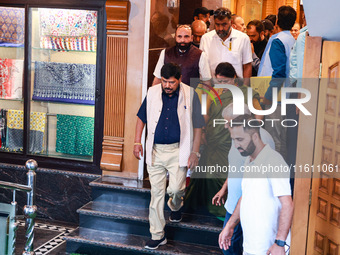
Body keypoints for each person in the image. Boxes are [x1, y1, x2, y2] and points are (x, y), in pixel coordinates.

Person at [134, 63, 205, 250]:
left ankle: (176, 205)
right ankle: (157, 235)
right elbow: (141, 118)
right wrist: (137, 142)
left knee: (175, 190)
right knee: (156, 194)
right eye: (164, 81)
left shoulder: (191, 94)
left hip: (178, 150)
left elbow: (198, 126)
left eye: (171, 82)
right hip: (156, 150)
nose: (167, 85)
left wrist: (195, 152)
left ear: (180, 79)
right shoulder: (152, 92)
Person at [184, 62, 260, 219]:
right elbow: (203, 117)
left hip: (238, 142)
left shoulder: (246, 92)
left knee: (232, 176)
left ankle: (228, 212)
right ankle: (211, 208)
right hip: (215, 142)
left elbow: (259, 114)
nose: (223, 85)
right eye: (219, 82)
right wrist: (202, 132)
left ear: (234, 79)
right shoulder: (210, 94)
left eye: (227, 81)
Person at [219, 115, 294, 255]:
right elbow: (245, 196)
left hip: (268, 247)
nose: (236, 145)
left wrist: (280, 243)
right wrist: (230, 225)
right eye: (234, 140)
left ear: (254, 136)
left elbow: (287, 204)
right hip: (251, 245)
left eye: (240, 139)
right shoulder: (249, 159)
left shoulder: (273, 161)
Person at [212, 104, 274, 255]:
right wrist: (224, 188)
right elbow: (236, 166)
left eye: (228, 121)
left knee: (235, 247)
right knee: (229, 247)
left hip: (248, 206)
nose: (226, 125)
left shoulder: (260, 140)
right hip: (233, 203)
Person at [257, 5, 296, 160]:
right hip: (285, 96)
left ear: (277, 21)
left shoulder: (279, 41)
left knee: (275, 139)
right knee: (280, 137)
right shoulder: (291, 39)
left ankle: (277, 178)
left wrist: (268, 96)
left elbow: (278, 72)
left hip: (276, 98)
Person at [199, 7, 252, 80]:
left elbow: (247, 66)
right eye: (217, 25)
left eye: (224, 25)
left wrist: (245, 88)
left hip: (236, 87)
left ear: (231, 22)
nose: (220, 28)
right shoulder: (206, 38)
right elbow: (202, 66)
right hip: (212, 87)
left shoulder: (243, 38)